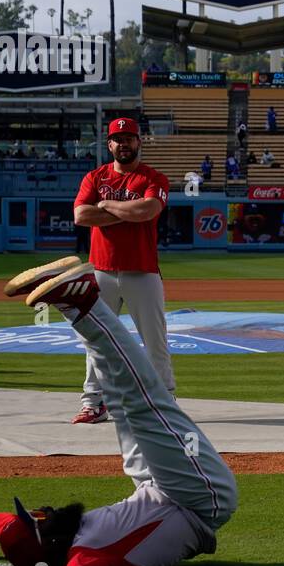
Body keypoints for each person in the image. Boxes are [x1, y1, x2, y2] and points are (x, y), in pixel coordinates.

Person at [0, 258, 237, 566]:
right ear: (50, 543)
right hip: (198, 499)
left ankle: (70, 303)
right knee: (144, 403)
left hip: (155, 486)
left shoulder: (65, 534)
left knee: (120, 403)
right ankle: (86, 302)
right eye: (35, 520)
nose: (36, 512)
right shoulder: (87, 553)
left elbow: (0, 526)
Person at [72, 118, 174, 425]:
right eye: (118, 139)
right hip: (101, 270)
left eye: (129, 138)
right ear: (110, 144)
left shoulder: (153, 177)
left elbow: (148, 211)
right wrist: (127, 213)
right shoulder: (95, 176)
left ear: (139, 142)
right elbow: (81, 215)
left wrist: (105, 206)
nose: (123, 143)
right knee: (96, 339)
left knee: (154, 340)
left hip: (142, 270)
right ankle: (94, 403)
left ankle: (163, 401)